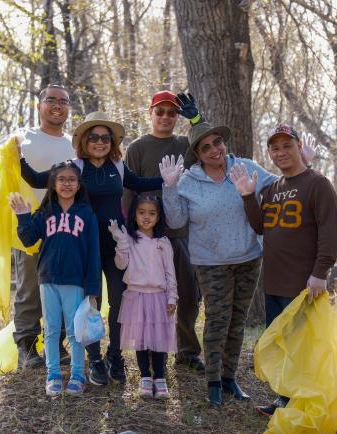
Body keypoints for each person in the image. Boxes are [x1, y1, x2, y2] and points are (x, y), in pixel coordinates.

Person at [19, 111, 163, 386]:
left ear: (112, 142)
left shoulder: (118, 167)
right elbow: (40, 180)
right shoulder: (75, 167)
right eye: (94, 137)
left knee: (120, 300)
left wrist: (168, 179)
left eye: (105, 138)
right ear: (84, 140)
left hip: (116, 244)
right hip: (82, 247)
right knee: (88, 304)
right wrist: (18, 159)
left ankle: (115, 356)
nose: (99, 142)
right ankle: (94, 358)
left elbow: (142, 184)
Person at [0, 84, 74, 370]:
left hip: (67, 228)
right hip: (30, 227)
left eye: (63, 101)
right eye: (51, 100)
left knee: (63, 287)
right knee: (31, 289)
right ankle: (26, 346)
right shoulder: (22, 138)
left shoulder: (75, 144)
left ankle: (56, 343)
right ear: (40, 106)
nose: (57, 106)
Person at [230, 123, 337, 416]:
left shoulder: (318, 184)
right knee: (283, 347)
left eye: (287, 146)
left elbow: (330, 233)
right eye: (274, 148)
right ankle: (285, 400)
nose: (281, 153)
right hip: (274, 282)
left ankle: (309, 402)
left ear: (299, 147)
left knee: (304, 347)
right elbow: (260, 227)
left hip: (304, 284)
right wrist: (247, 196)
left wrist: (320, 273)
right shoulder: (274, 188)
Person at [123, 91, 204, 371]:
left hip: (179, 230)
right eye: (160, 112)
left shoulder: (185, 145)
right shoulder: (137, 148)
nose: (166, 117)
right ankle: (148, 349)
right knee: (148, 293)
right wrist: (129, 230)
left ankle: (188, 351)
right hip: (146, 234)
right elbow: (128, 189)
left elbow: (211, 145)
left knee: (188, 292)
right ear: (151, 114)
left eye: (172, 113)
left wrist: (196, 118)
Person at [9, 161, 101, 396]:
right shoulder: (46, 212)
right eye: (62, 179)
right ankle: (53, 375)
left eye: (72, 179)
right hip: (47, 279)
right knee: (50, 329)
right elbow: (29, 239)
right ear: (53, 184)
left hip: (75, 281)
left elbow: (93, 254)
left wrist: (92, 290)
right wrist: (23, 217)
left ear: (79, 185)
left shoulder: (87, 214)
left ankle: (78, 375)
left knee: (74, 330)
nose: (67, 183)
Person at [108, 195, 177, 399]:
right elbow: (121, 265)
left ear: (158, 217)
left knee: (157, 339)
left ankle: (160, 377)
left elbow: (170, 272)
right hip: (136, 296)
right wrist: (120, 243)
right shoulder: (129, 239)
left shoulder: (163, 243)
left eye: (152, 213)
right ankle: (145, 376)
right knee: (141, 339)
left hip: (159, 297)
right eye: (141, 212)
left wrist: (172, 296)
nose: (146, 217)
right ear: (134, 215)